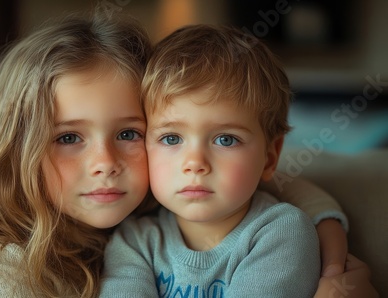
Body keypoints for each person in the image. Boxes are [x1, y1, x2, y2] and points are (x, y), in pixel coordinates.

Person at [0, 13, 371, 298]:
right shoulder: (7, 271)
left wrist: (329, 249)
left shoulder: (166, 203)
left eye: (128, 133)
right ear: (19, 149)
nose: (105, 162)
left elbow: (269, 182)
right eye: (67, 138)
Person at [99, 24, 377, 297]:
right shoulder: (133, 240)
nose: (195, 163)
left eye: (225, 140)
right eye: (171, 139)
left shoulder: (281, 232)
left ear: (270, 158)